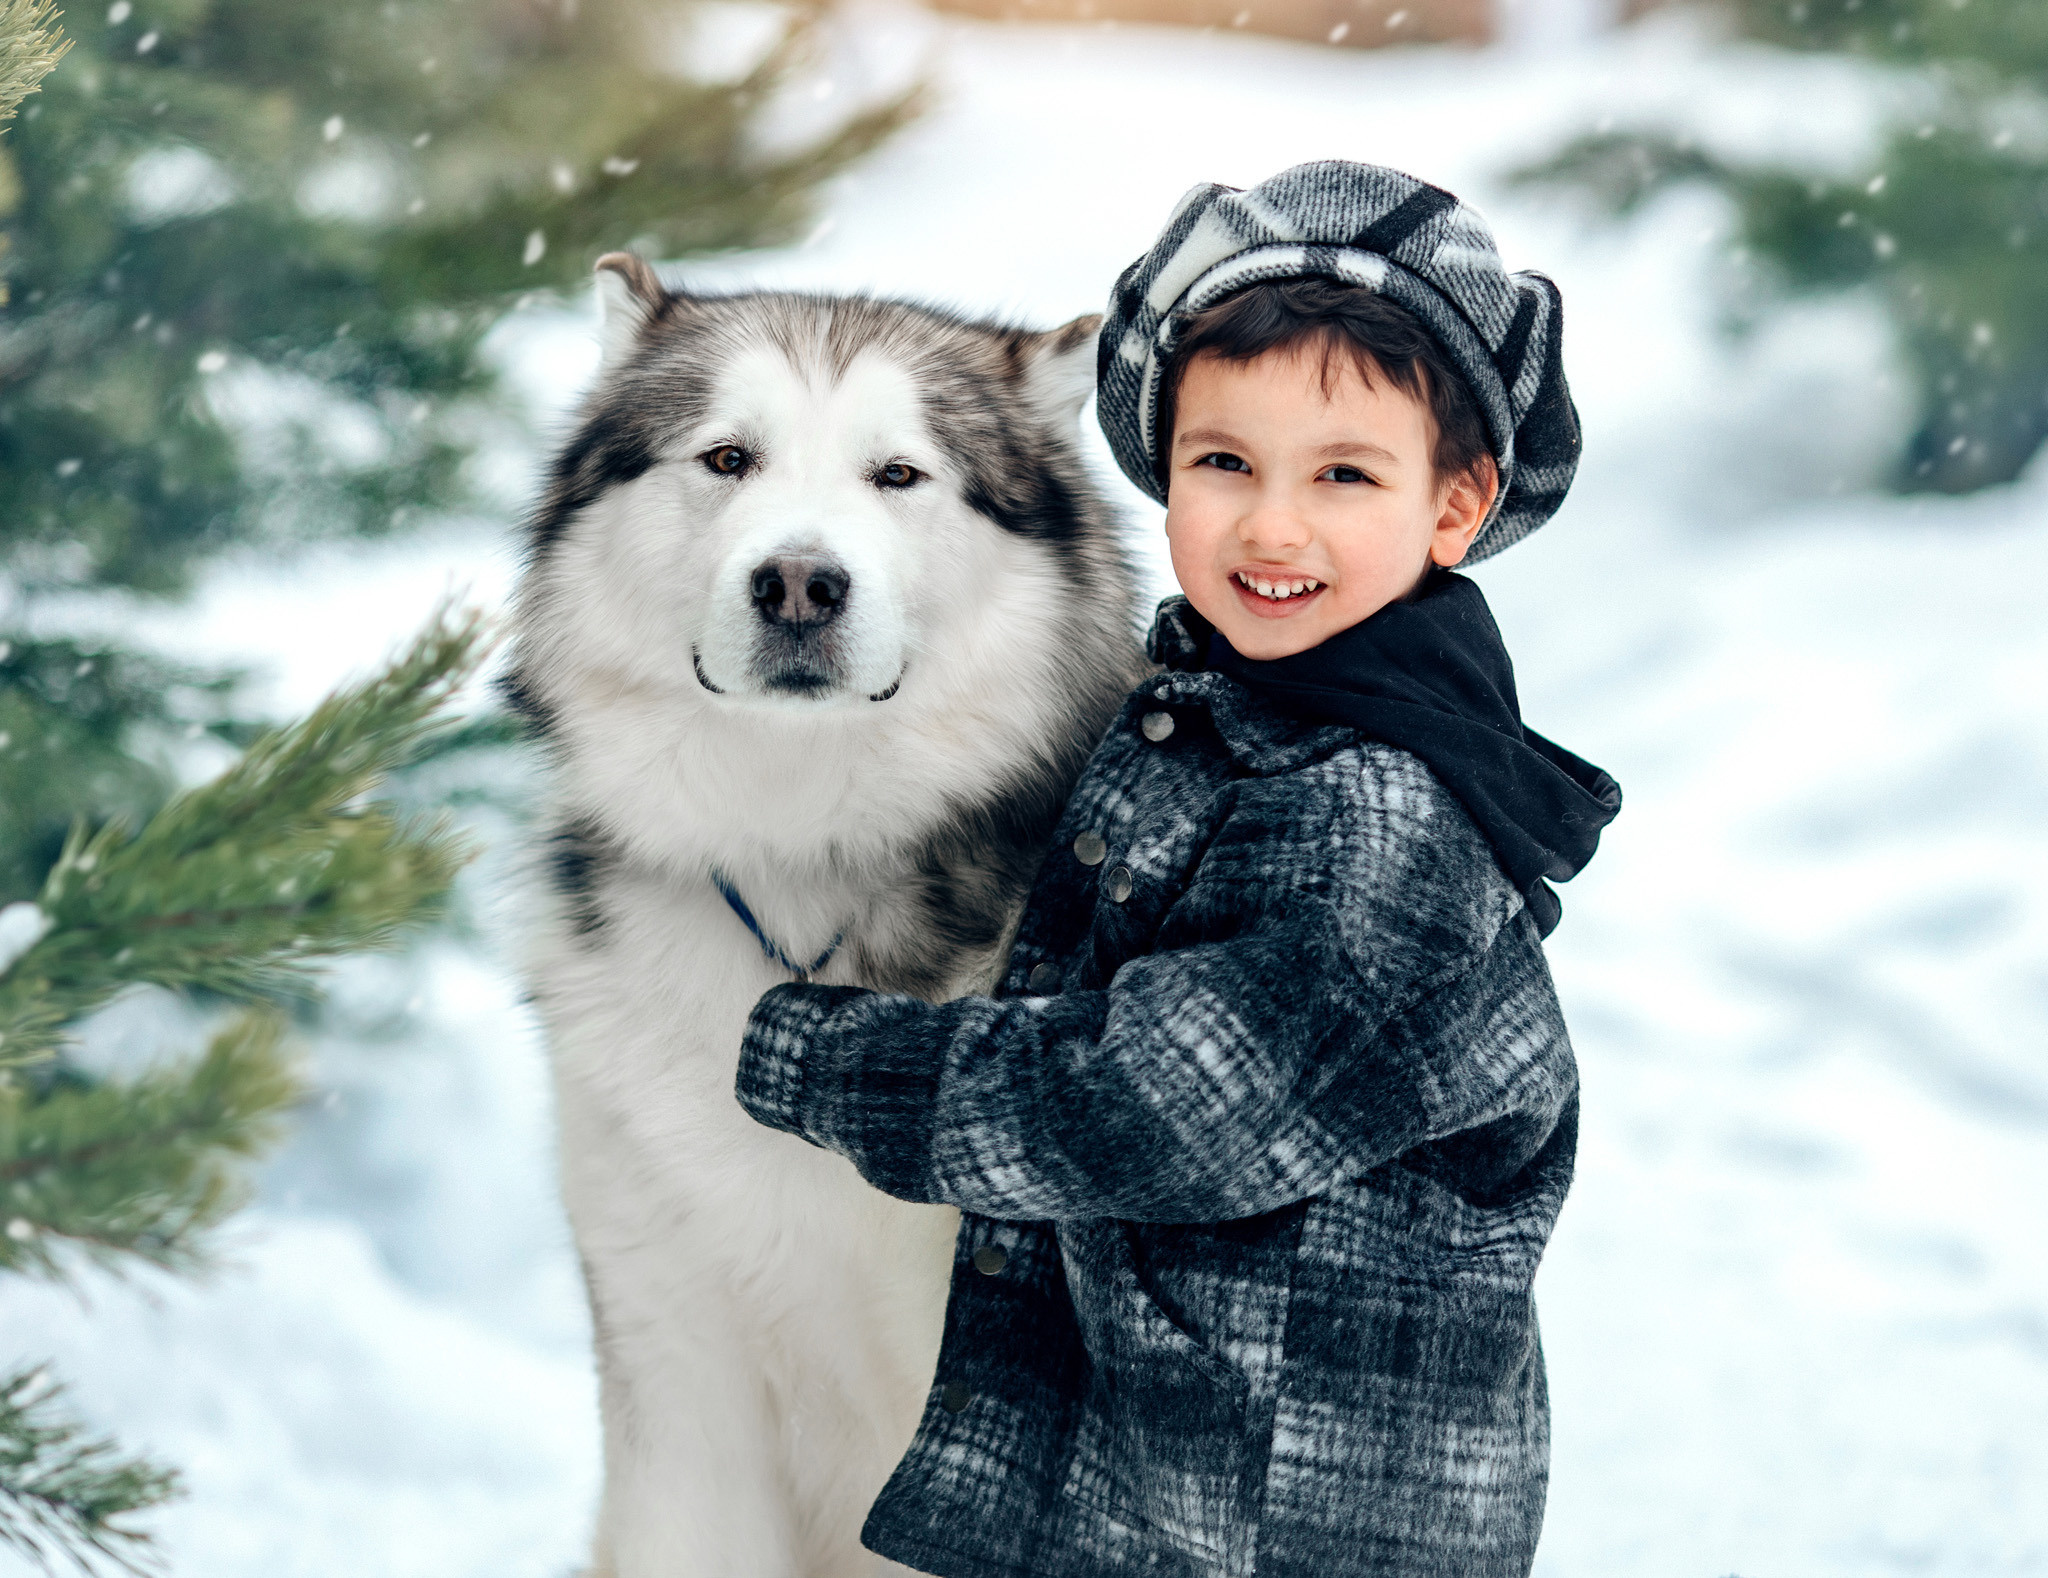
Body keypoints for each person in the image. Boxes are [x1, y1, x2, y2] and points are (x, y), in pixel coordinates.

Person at [734, 160, 1621, 1578]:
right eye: (1226, 464)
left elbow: (1146, 1108)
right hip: (1192, 1461)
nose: (1273, 525)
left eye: (1344, 474)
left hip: (1291, 1517)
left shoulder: (1372, 821)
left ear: (1455, 509)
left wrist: (834, 1060)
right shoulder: (1233, 720)